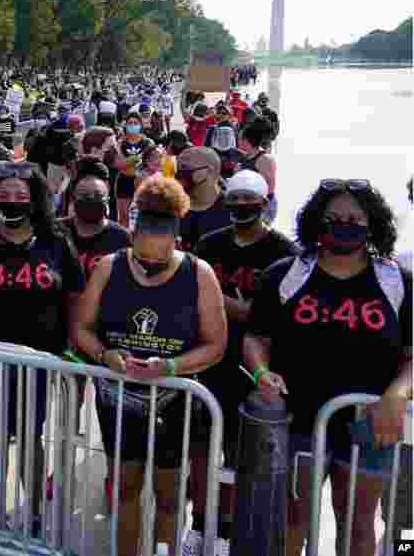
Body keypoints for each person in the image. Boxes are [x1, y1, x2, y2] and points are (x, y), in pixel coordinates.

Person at [244, 179, 411, 556]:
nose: (344, 224)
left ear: (372, 224)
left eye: (354, 218)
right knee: (291, 520)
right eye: (334, 217)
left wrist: (398, 393)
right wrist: (261, 373)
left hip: (369, 425)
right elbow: (256, 339)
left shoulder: (397, 281)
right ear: (317, 222)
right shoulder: (284, 276)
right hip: (298, 420)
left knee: (358, 523)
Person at [73, 175, 227, 556]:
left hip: (174, 403)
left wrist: (171, 366)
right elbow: (81, 328)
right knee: (125, 488)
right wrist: (104, 355)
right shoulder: (110, 267)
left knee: (170, 494)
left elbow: (216, 345)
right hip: (118, 399)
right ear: (132, 238)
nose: (149, 266)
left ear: (176, 241)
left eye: (160, 260)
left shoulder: (199, 273)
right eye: (142, 258)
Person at [0, 161, 85, 533]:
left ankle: (37, 510)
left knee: (30, 438)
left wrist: (72, 350)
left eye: (21, 196)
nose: (12, 201)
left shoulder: (57, 242)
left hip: (41, 360)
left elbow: (75, 297)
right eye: (4, 195)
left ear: (36, 200)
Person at [189, 170, 299, 541]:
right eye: (233, 201)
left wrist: (221, 301)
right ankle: (202, 522)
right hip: (206, 361)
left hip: (253, 369)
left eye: (248, 203)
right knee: (202, 449)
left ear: (266, 205)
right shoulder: (208, 244)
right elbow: (193, 299)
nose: (240, 208)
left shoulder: (284, 254)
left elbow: (267, 318)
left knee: (240, 455)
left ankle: (228, 529)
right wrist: (237, 306)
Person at [65, 158, 131, 280]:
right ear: (73, 199)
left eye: (98, 196)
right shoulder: (56, 233)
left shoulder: (123, 239)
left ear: (107, 199)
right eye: (84, 196)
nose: (91, 199)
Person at [177, 147, 232, 252]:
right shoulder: (171, 204)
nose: (179, 173)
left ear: (209, 171)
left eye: (185, 167)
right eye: (177, 167)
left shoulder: (233, 212)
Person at [237, 117, 278, 223]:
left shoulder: (264, 159)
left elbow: (269, 191)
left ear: (247, 140)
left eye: (240, 138)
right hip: (247, 205)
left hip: (262, 209)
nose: (238, 141)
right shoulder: (245, 157)